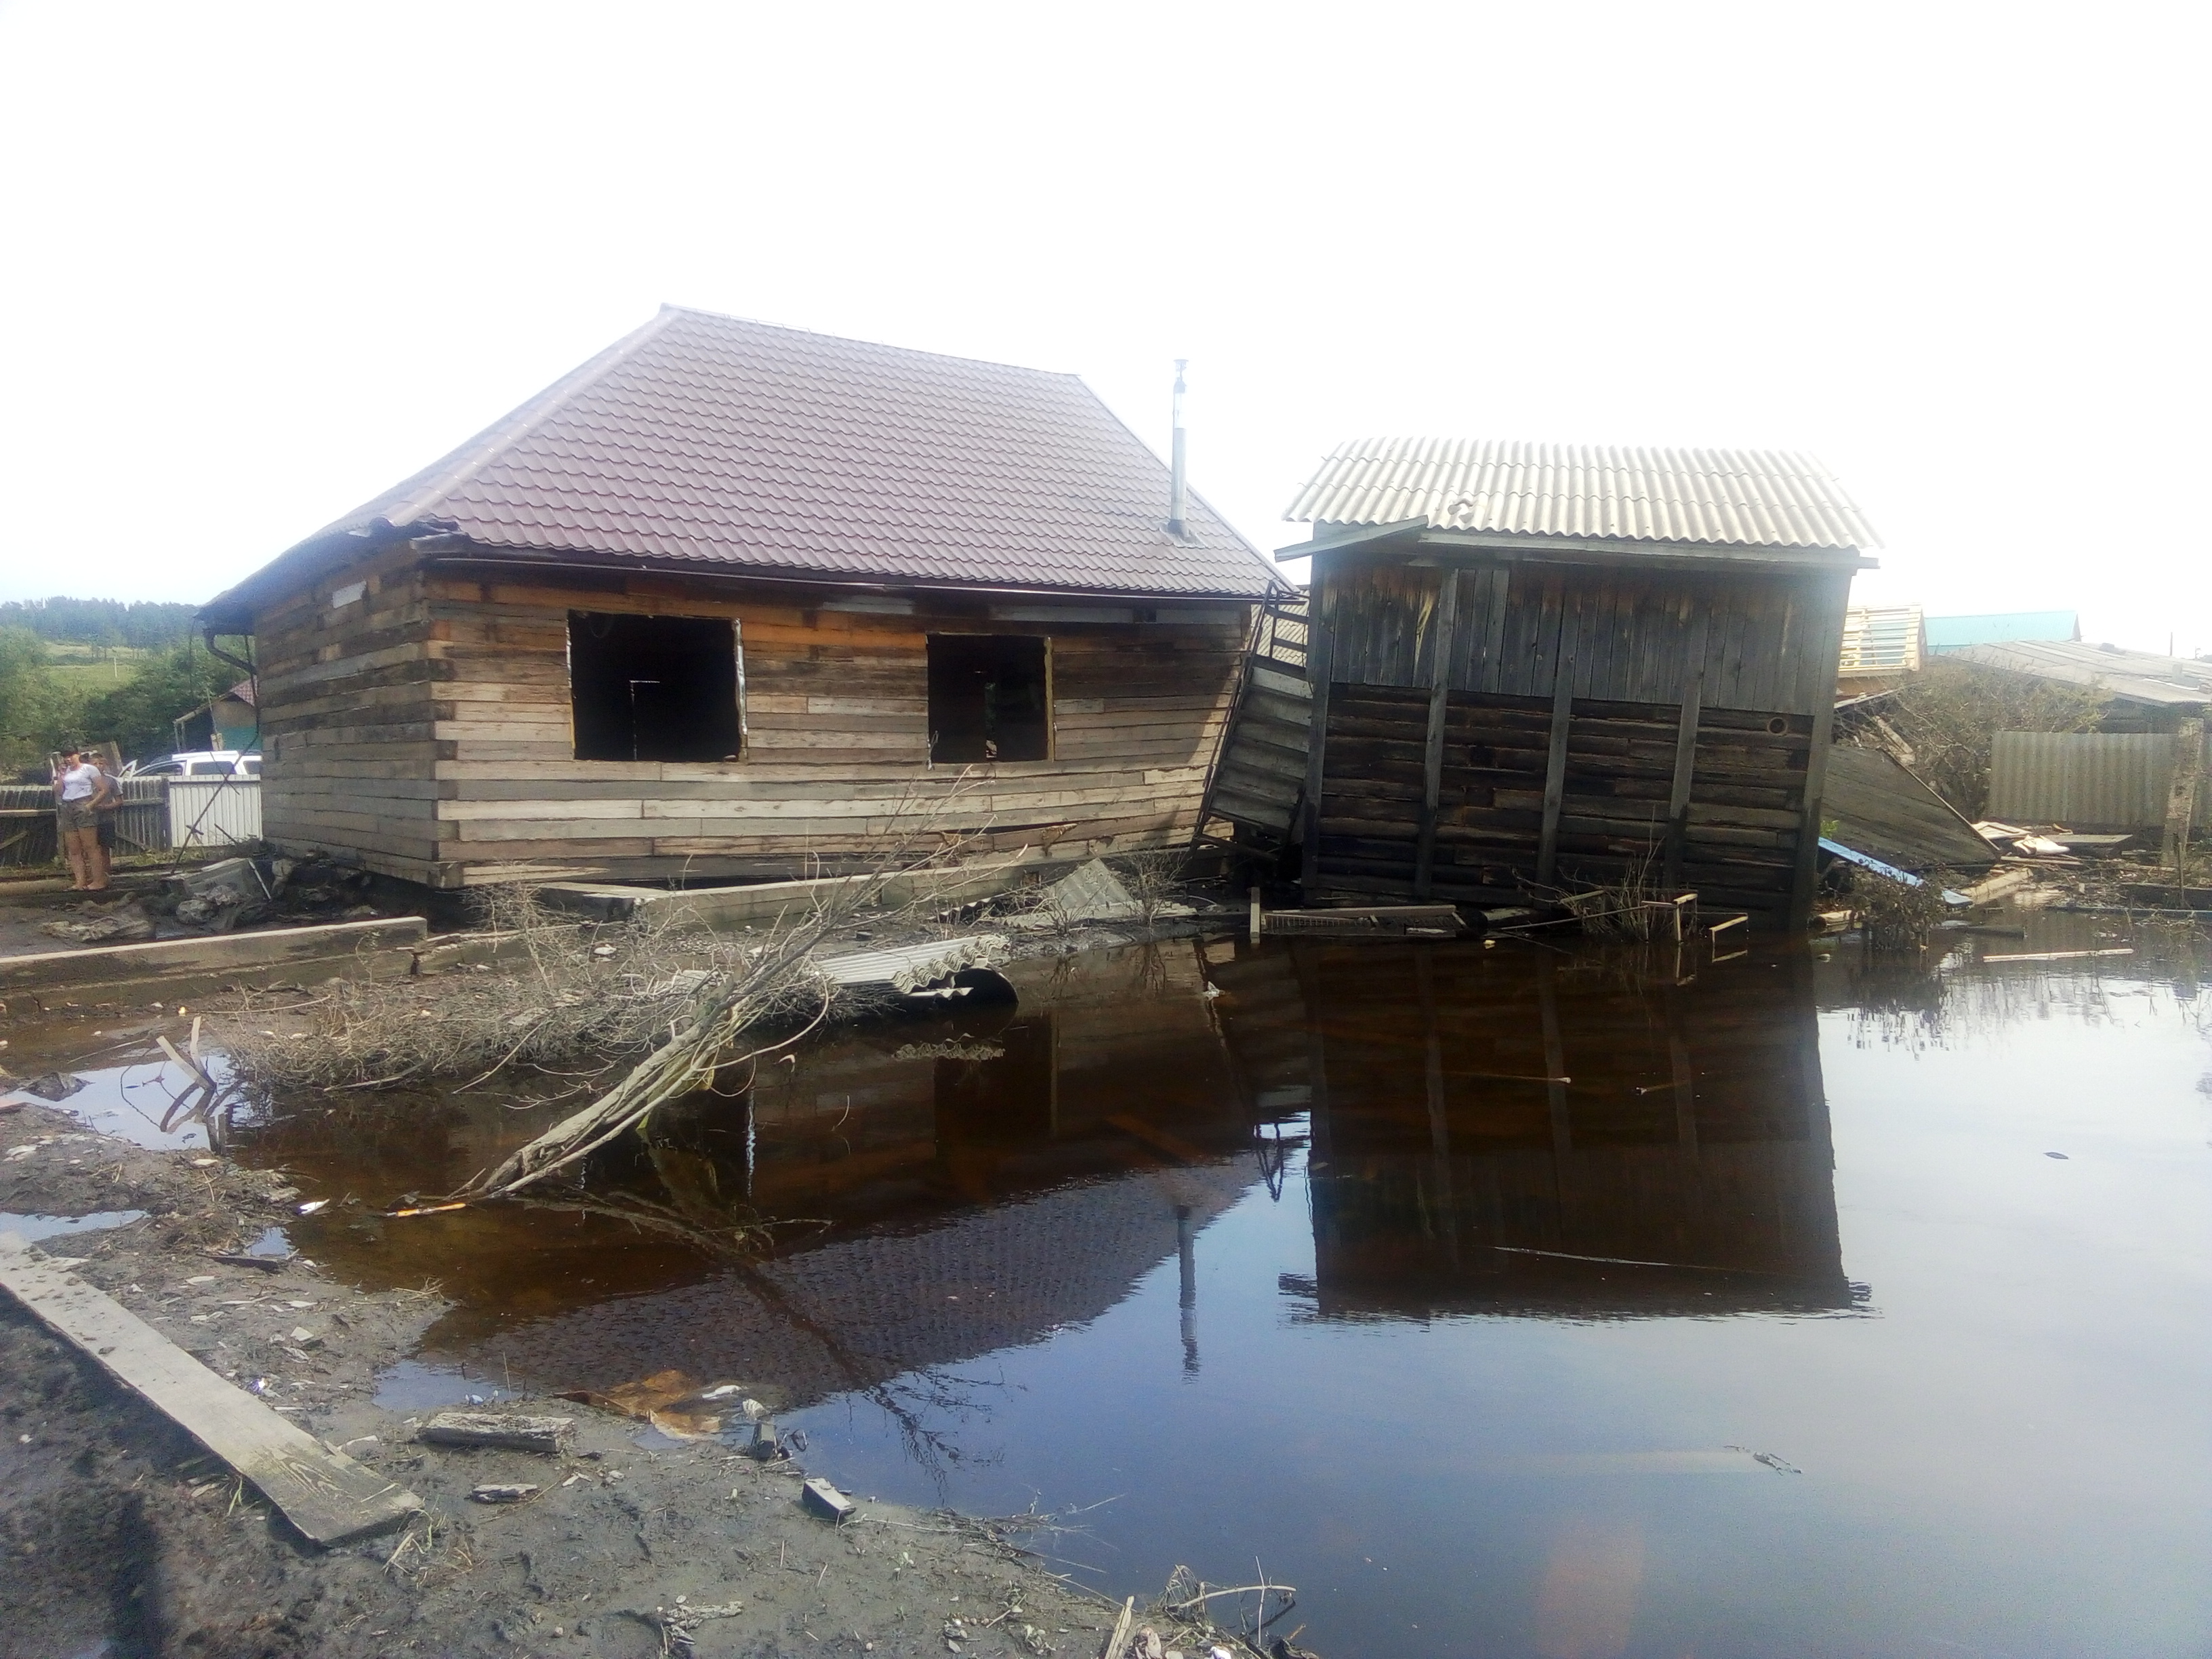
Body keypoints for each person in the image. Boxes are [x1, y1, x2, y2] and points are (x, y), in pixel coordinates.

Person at [52, 745, 111, 892]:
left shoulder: (88, 769)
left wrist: (90, 805)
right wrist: (61, 775)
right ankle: (80, 882)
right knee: (73, 849)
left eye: (71, 756)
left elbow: (103, 789)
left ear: (77, 755)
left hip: (83, 803)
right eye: (65, 757)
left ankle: (98, 881)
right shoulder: (65, 772)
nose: (68, 759)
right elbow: (58, 791)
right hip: (67, 806)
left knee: (90, 846)